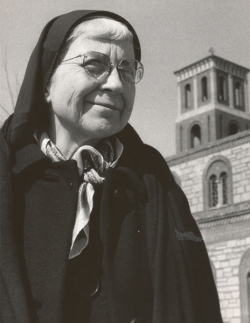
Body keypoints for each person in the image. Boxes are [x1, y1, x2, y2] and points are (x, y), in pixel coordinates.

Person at [0, 10, 223, 323]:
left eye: (128, 69)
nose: (117, 84)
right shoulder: (8, 175)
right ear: (46, 82)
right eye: (95, 65)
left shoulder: (156, 182)